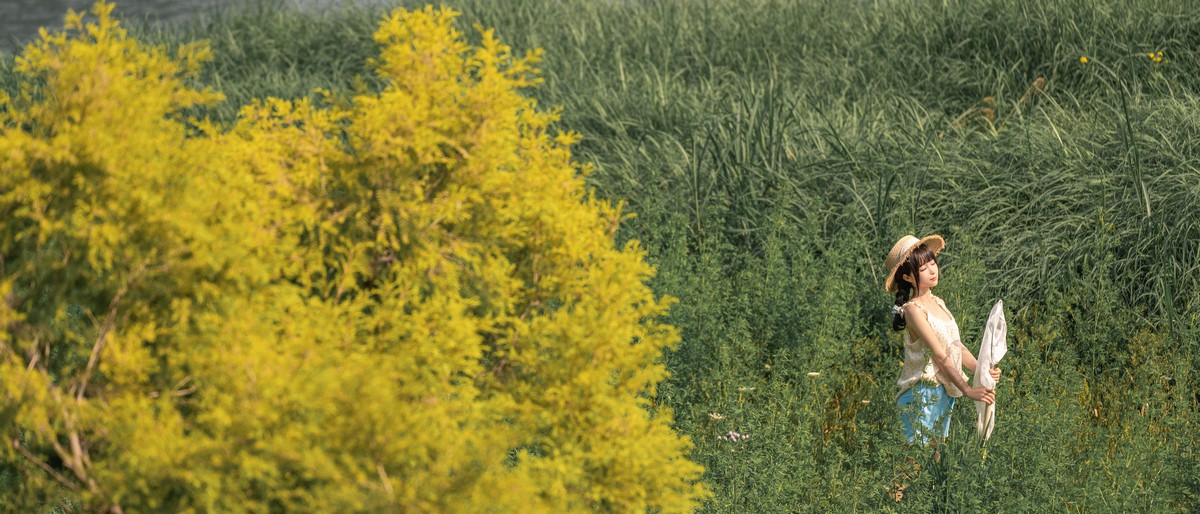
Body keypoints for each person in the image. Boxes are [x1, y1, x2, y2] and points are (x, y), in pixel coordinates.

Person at [884, 234, 1000, 449]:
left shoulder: (938, 302)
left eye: (932, 263)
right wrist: (967, 389)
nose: (932, 270)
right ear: (908, 277)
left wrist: (981, 370)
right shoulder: (913, 310)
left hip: (943, 391)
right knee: (913, 466)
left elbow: (956, 346)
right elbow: (939, 354)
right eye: (923, 268)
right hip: (922, 392)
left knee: (935, 465)